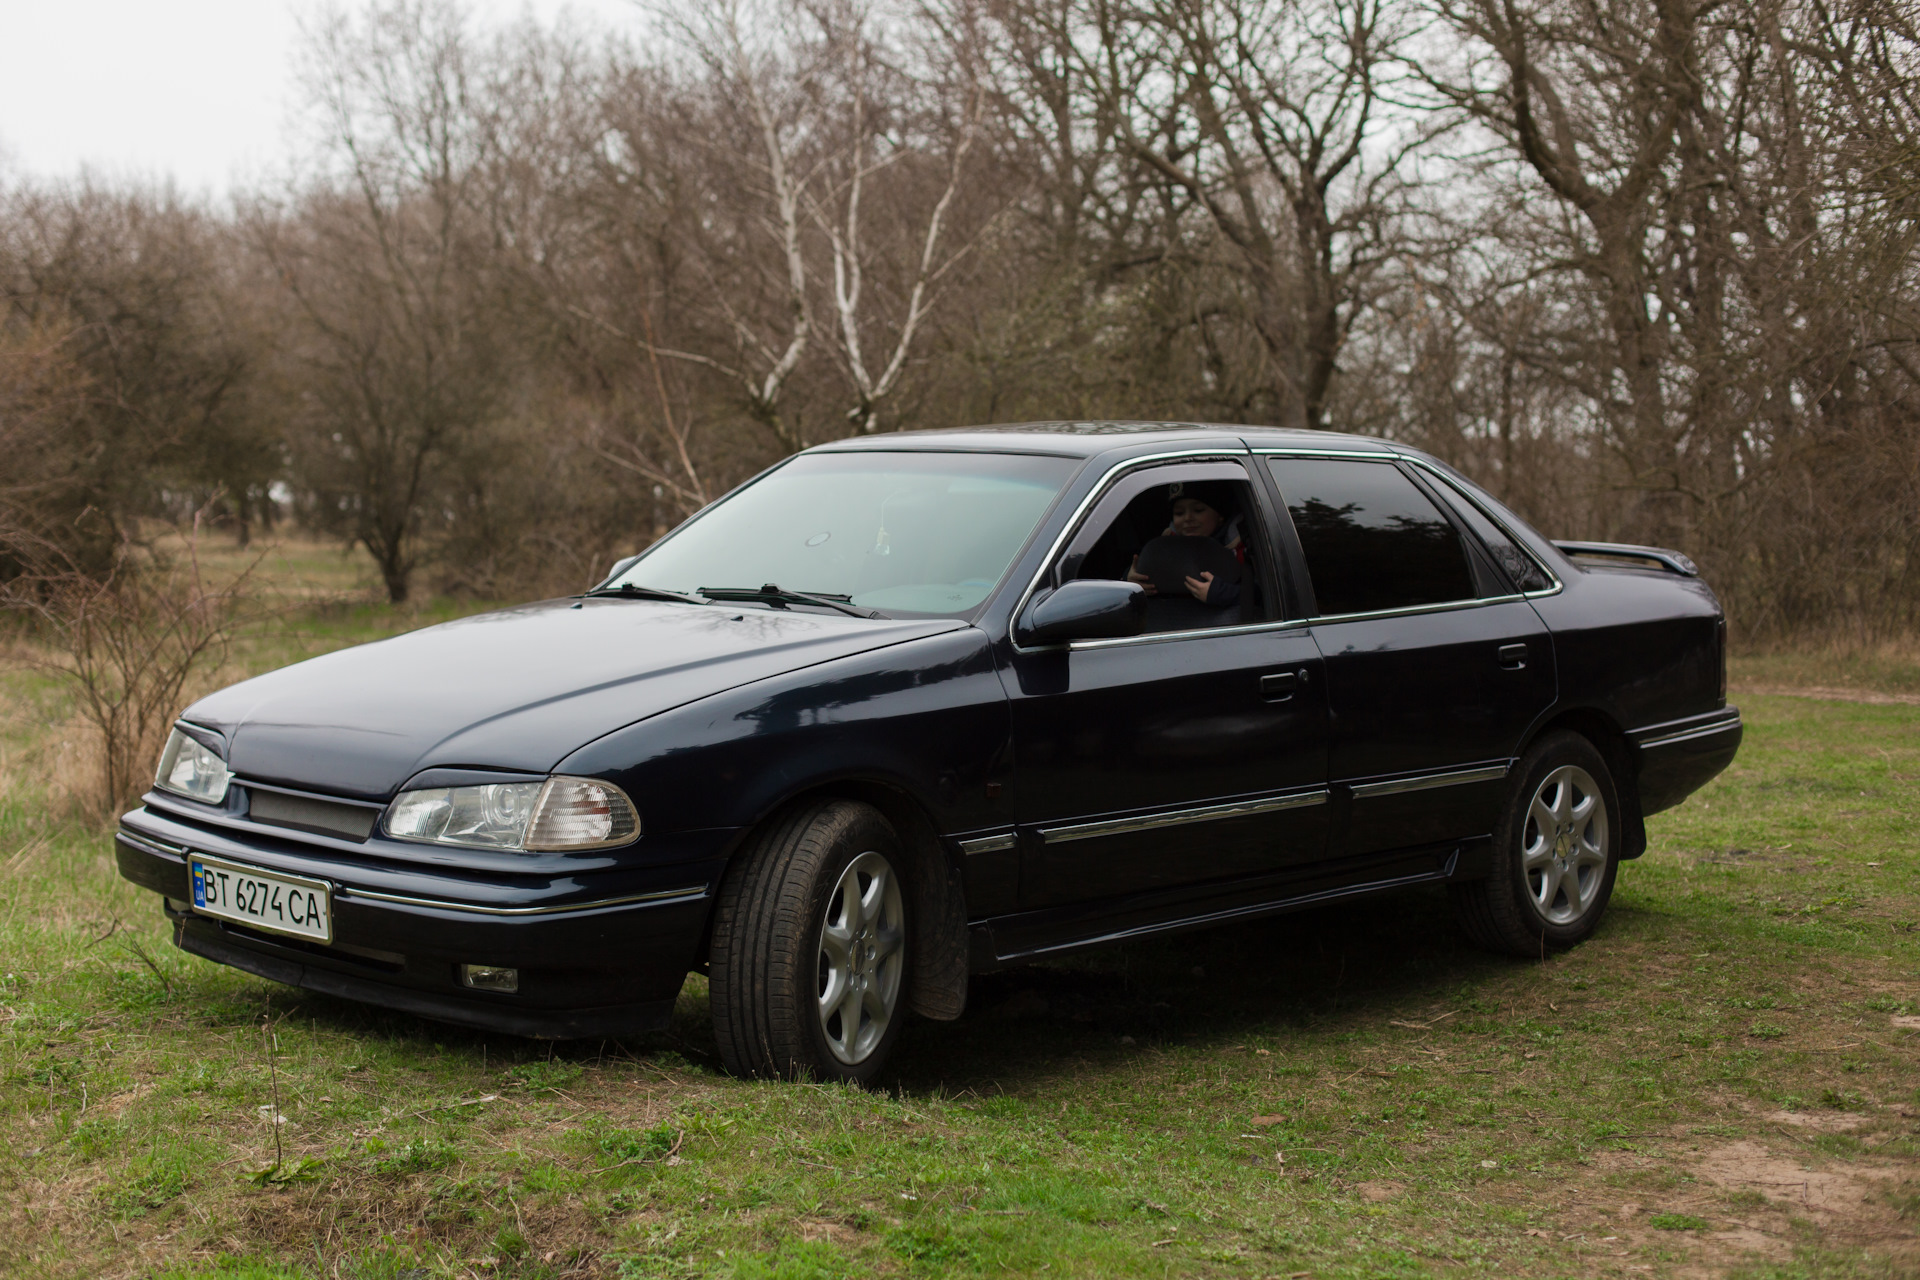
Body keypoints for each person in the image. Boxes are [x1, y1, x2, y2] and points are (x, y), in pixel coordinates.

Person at [1126, 481, 1247, 607]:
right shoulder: (1163, 550)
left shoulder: (1242, 551)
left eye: (1198, 510)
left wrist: (1223, 593)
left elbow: (1262, 594)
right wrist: (1131, 581)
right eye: (1179, 513)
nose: (1187, 518)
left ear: (1220, 516)